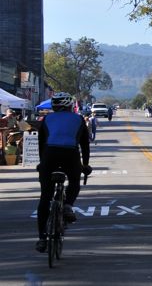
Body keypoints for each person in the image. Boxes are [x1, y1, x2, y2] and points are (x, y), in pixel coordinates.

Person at [34, 92, 91, 253]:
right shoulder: (78, 119)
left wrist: (42, 163)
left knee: (45, 197)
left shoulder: (47, 119)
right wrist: (85, 165)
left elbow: (41, 144)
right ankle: (67, 205)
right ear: (70, 106)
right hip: (70, 155)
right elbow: (84, 145)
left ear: (54, 106)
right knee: (74, 182)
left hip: (49, 155)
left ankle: (42, 238)